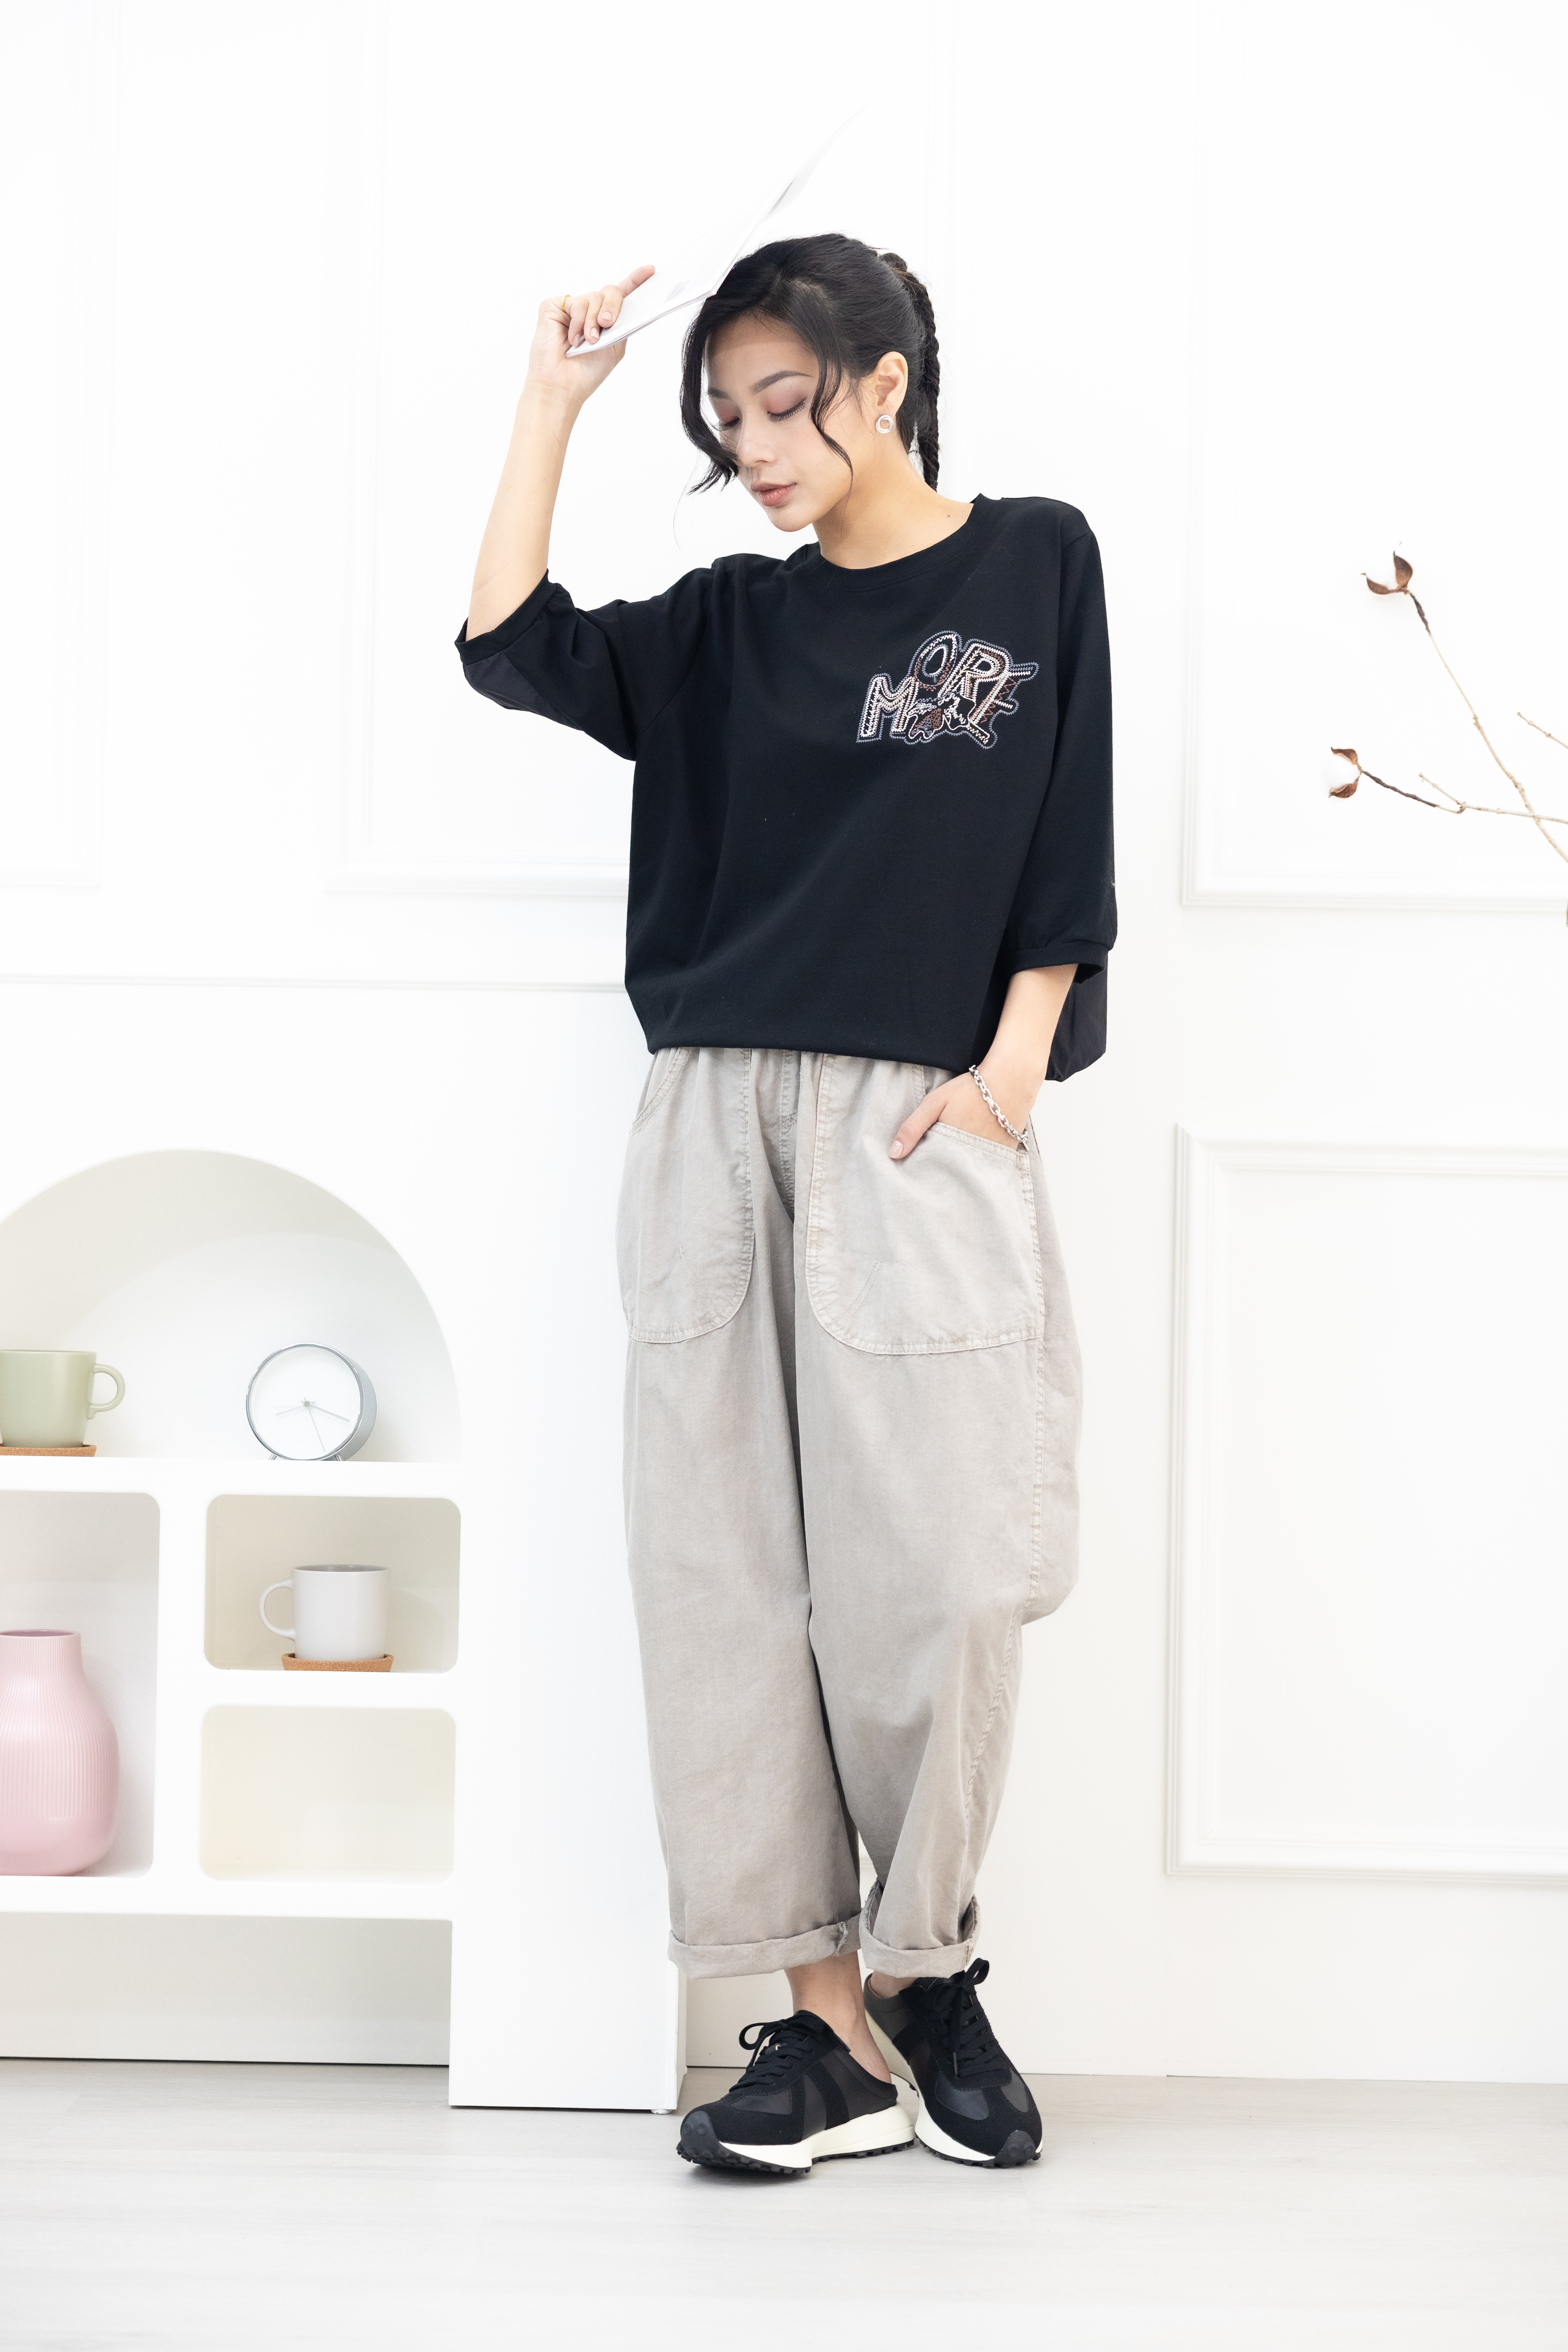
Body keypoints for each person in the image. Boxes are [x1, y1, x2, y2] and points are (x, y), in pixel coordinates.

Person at [458, 234, 1114, 2177]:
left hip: (922, 1116)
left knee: (950, 1574)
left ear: (886, 383)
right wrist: (553, 400)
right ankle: (817, 2028)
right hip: (709, 1115)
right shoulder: (726, 624)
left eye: (782, 405)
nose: (750, 447)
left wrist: (1013, 1063)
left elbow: (1065, 826)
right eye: (724, 417)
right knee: (722, 1580)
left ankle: (928, 1968)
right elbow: (507, 643)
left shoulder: (1036, 562)